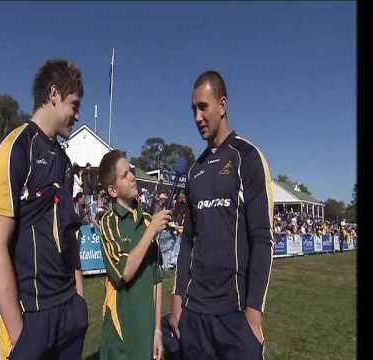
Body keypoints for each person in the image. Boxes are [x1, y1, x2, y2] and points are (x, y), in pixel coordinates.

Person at [0, 59, 87, 360]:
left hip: (69, 311)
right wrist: (20, 336)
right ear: (54, 94)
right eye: (74, 104)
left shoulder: (65, 163)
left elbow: (70, 238)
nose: (78, 115)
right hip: (30, 317)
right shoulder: (16, 147)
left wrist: (79, 303)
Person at [170, 70, 274, 359]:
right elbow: (188, 241)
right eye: (194, 110)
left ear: (223, 105)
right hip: (194, 314)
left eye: (203, 107)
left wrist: (254, 312)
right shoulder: (194, 170)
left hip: (235, 315)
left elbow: (263, 239)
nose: (197, 117)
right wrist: (178, 300)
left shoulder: (248, 157)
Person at [98, 149, 172, 360]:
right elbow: (124, 273)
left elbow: (157, 280)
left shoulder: (148, 219)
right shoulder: (109, 222)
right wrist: (151, 232)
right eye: (125, 174)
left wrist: (157, 330)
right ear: (113, 190)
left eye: (131, 170)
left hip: (148, 337)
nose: (133, 176)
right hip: (121, 340)